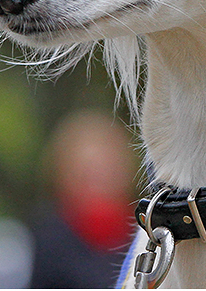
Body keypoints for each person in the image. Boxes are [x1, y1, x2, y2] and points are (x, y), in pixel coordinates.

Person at [29, 110, 138, 288]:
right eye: (87, 173)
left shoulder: (146, 231)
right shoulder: (50, 238)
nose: (99, 182)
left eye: (106, 170)